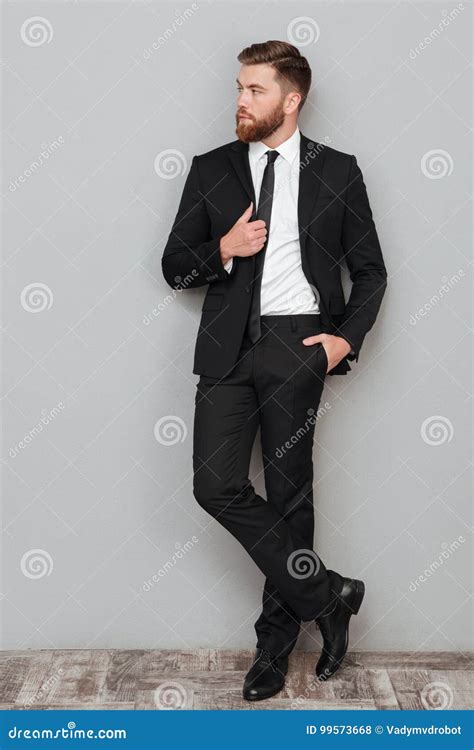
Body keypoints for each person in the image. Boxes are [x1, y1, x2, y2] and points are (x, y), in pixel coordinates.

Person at [161, 40, 387, 701]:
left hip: (298, 346)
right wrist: (222, 250)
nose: (239, 100)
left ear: (292, 99)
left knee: (291, 498)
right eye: (238, 88)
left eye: (254, 90)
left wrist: (342, 342)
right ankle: (332, 594)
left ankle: (273, 649)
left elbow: (371, 270)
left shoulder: (337, 171)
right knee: (215, 484)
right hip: (228, 349)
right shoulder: (211, 169)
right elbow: (174, 267)